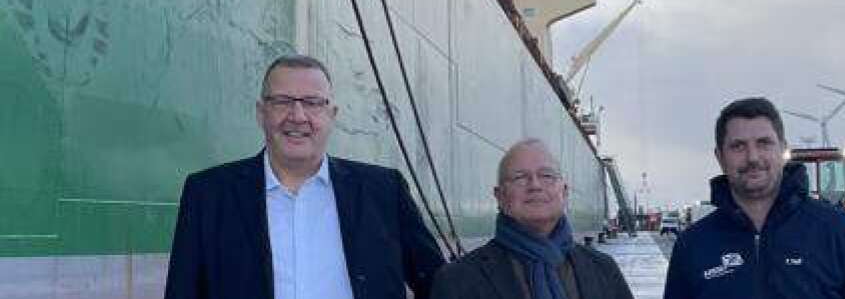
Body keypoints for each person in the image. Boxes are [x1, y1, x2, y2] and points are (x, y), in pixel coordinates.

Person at [164, 54, 445, 299]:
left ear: (332, 114)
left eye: (312, 103)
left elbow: (438, 285)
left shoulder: (384, 192)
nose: (297, 116)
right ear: (261, 113)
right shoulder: (209, 195)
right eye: (282, 101)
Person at [663, 97, 845, 298]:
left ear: (782, 149)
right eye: (738, 146)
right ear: (719, 156)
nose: (753, 157)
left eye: (764, 143)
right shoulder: (692, 246)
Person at [430, 138, 634, 299]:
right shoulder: (457, 281)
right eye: (519, 177)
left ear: (564, 192)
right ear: (499, 195)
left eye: (547, 176)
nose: (535, 185)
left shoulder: (603, 269)